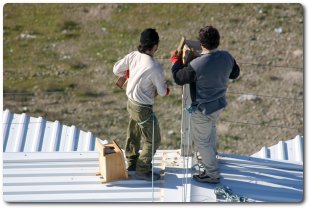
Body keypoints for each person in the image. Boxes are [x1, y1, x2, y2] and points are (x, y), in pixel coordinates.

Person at [170, 26, 240, 184]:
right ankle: (210, 158)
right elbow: (235, 73)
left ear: (201, 43)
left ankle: (212, 174)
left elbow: (179, 78)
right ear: (218, 40)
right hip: (219, 104)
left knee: (201, 141)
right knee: (210, 131)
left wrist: (175, 62)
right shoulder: (227, 57)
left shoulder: (197, 64)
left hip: (202, 108)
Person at [113, 28, 169, 181]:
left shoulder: (133, 56)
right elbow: (163, 92)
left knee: (134, 133)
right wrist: (167, 87)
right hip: (143, 108)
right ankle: (142, 170)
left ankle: (131, 162)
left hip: (131, 103)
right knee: (153, 139)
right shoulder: (154, 66)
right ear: (155, 46)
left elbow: (116, 69)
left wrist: (128, 73)